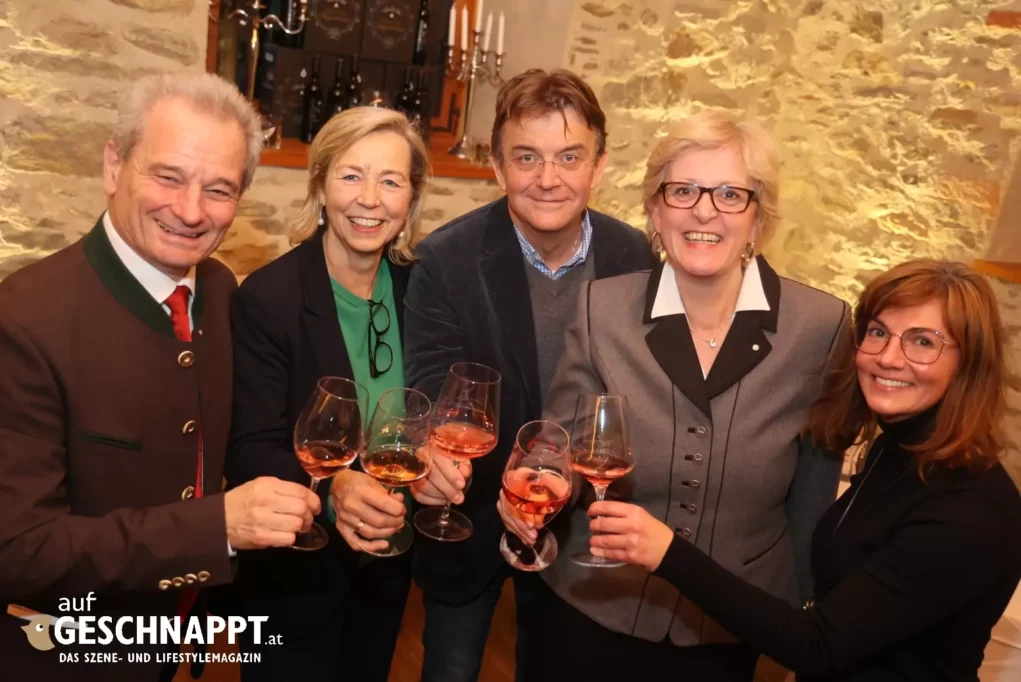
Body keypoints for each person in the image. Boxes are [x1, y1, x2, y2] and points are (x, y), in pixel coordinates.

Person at [499, 109, 849, 681]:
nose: (704, 210)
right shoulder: (600, 310)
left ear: (759, 217)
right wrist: (530, 491)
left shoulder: (821, 326)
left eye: (731, 194)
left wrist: (804, 624)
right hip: (594, 604)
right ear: (656, 212)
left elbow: (812, 496)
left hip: (731, 621)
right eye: (683, 190)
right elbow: (557, 444)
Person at [0, 73, 321, 681]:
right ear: (114, 167)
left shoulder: (222, 292)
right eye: (168, 176)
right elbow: (20, 549)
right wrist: (216, 528)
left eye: (219, 189)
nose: (192, 211)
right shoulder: (23, 320)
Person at [585, 259, 1021, 682]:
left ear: (968, 363)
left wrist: (668, 552)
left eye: (923, 341)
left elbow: (818, 646)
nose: (889, 357)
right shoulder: (897, 451)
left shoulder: (969, 511)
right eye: (878, 332)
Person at [404, 68, 654, 682]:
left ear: (598, 166)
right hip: (471, 520)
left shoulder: (637, 260)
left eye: (569, 157)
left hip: (583, 537)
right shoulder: (445, 258)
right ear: (497, 166)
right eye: (527, 157)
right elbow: (438, 387)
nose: (548, 179)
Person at [226, 106, 431, 681]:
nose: (370, 199)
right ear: (319, 185)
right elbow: (247, 447)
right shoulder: (269, 298)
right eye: (350, 175)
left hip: (390, 563)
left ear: (411, 200)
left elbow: (430, 409)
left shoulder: (422, 291)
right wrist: (335, 483)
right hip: (297, 575)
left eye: (390, 181)